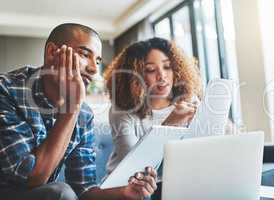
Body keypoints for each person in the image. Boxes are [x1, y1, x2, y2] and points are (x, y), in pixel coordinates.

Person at [0, 23, 157, 200]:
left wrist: (125, 192)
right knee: (60, 193)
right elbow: (30, 178)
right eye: (84, 54)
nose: (94, 69)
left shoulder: (84, 114)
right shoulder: (6, 90)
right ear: (53, 52)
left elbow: (84, 190)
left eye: (97, 61)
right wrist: (71, 107)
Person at [104, 37, 203, 175]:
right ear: (135, 77)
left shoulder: (188, 100)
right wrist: (170, 124)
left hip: (176, 178)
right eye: (150, 70)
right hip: (127, 185)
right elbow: (135, 168)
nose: (162, 76)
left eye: (167, 67)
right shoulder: (122, 111)